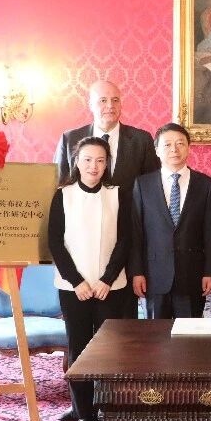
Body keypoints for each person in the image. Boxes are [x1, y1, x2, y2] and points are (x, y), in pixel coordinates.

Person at [48, 136, 133, 421]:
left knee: (110, 353)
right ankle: (84, 415)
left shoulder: (118, 194)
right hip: (75, 289)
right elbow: (55, 243)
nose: (93, 166)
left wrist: (107, 279)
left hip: (111, 287)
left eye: (100, 160)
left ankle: (108, 412)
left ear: (107, 163)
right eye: (87, 160)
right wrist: (77, 282)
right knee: (79, 350)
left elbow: (125, 240)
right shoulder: (63, 195)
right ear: (76, 162)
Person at [54, 80, 158, 318]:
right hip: (78, 254)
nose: (110, 106)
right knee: (80, 331)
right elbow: (61, 185)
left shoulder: (141, 140)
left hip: (125, 246)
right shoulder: (70, 138)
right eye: (102, 100)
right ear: (90, 104)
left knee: (121, 328)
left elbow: (152, 192)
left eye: (115, 100)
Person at [130, 123, 211, 319]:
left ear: (188, 147)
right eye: (167, 144)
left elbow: (210, 232)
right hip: (154, 276)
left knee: (189, 335)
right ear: (157, 150)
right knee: (155, 334)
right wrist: (137, 272)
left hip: (192, 276)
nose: (174, 149)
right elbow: (136, 233)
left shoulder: (204, 184)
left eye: (180, 143)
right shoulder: (143, 184)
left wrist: (209, 272)